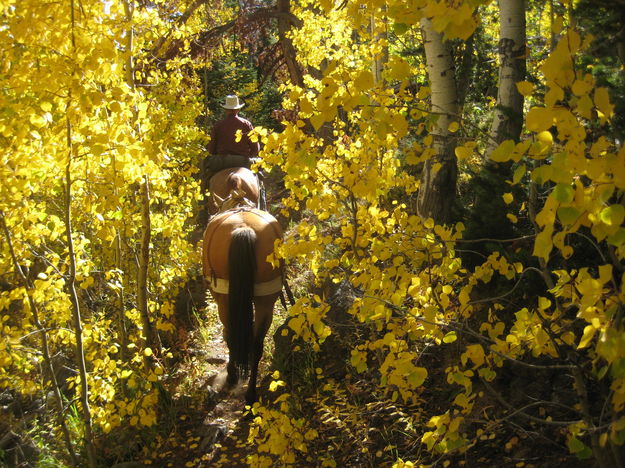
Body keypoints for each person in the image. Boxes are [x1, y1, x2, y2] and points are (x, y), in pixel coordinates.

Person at [203, 94, 260, 185]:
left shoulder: (218, 125)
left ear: (226, 110)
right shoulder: (246, 124)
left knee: (206, 175)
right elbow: (255, 149)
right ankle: (261, 198)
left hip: (222, 161)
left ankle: (204, 196)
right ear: (238, 109)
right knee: (259, 177)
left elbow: (211, 149)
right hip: (243, 161)